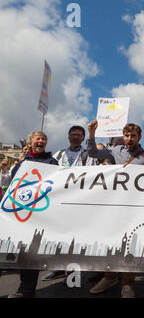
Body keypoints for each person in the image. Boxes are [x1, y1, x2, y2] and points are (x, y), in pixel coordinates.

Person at [86, 120, 144, 298]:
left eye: (133, 135)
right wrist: (92, 134)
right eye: (126, 135)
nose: (129, 138)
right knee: (111, 242)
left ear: (139, 137)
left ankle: (127, 283)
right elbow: (93, 152)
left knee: (130, 244)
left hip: (135, 207)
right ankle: (109, 277)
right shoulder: (115, 151)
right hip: (115, 204)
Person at [41, 126, 96, 282]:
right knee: (59, 236)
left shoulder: (87, 156)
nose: (76, 137)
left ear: (83, 138)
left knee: (74, 238)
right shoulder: (58, 154)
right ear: (68, 136)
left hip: (78, 200)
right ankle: (59, 268)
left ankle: (72, 274)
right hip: (60, 201)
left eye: (79, 135)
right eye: (73, 134)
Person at [8, 131, 59, 298]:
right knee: (22, 250)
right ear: (30, 143)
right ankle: (26, 288)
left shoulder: (53, 162)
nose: (41, 141)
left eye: (44, 139)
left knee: (33, 251)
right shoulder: (20, 164)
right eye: (38, 138)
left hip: (42, 214)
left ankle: (27, 289)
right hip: (22, 213)